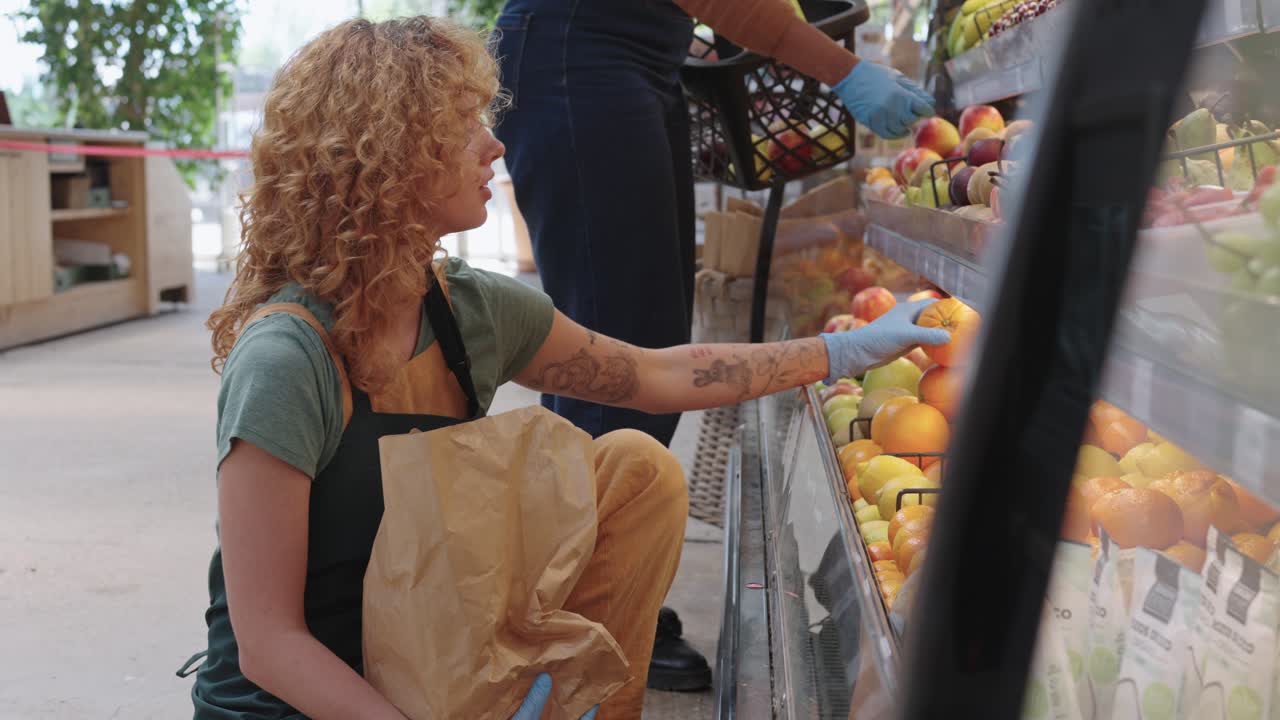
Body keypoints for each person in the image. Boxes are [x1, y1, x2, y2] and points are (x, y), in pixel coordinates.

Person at [187, 17, 947, 720]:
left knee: (634, 469)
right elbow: (269, 645)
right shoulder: (287, 358)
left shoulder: (466, 309)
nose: (496, 147)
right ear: (388, 156)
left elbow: (657, 375)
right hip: (297, 703)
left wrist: (839, 352)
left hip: (426, 661)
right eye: (465, 128)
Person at [493, 0, 933, 689]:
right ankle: (580, 614)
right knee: (614, 353)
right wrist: (845, 71)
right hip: (581, 59)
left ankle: (591, 586)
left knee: (640, 334)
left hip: (624, 57)